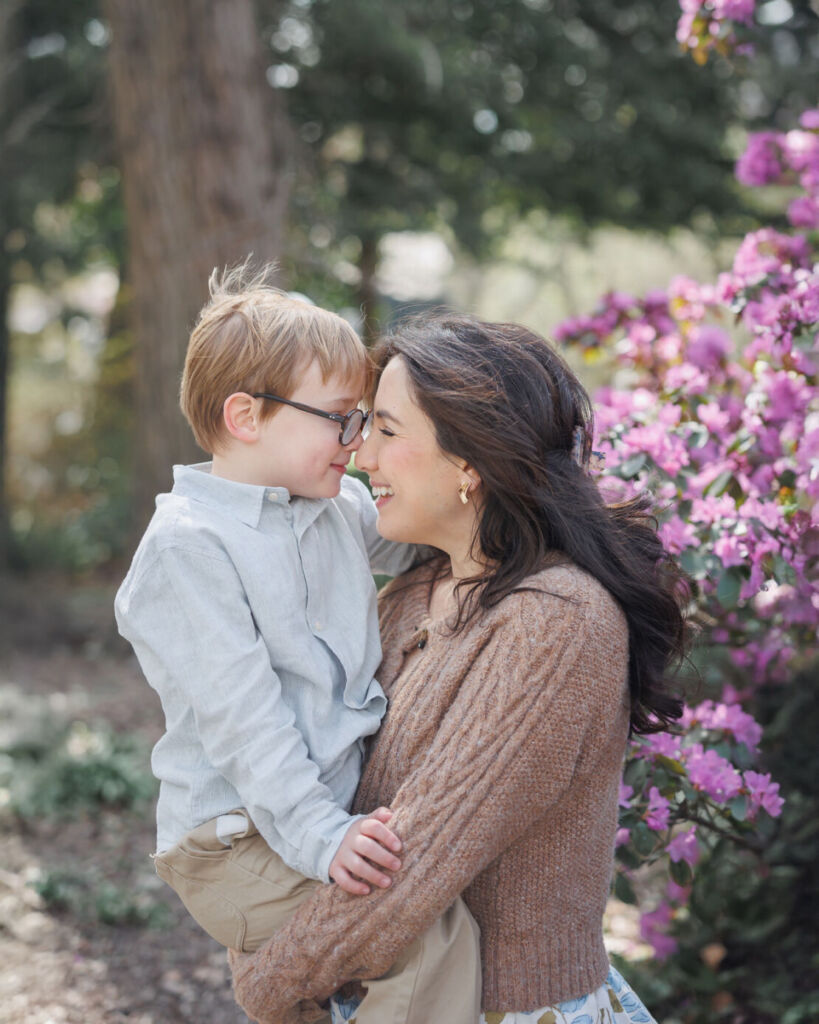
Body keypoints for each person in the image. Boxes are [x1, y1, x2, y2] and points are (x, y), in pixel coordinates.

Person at [228, 313, 690, 1024]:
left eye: (385, 430)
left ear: (469, 461)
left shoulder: (557, 622)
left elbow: (408, 866)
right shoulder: (409, 596)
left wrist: (268, 983)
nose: (359, 458)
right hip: (377, 997)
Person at [114, 269, 482, 1024]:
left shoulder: (330, 507)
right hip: (237, 844)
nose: (358, 443)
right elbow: (245, 725)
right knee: (421, 940)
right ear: (246, 416)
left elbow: (425, 539)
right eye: (342, 419)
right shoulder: (189, 549)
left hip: (314, 819)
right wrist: (322, 838)